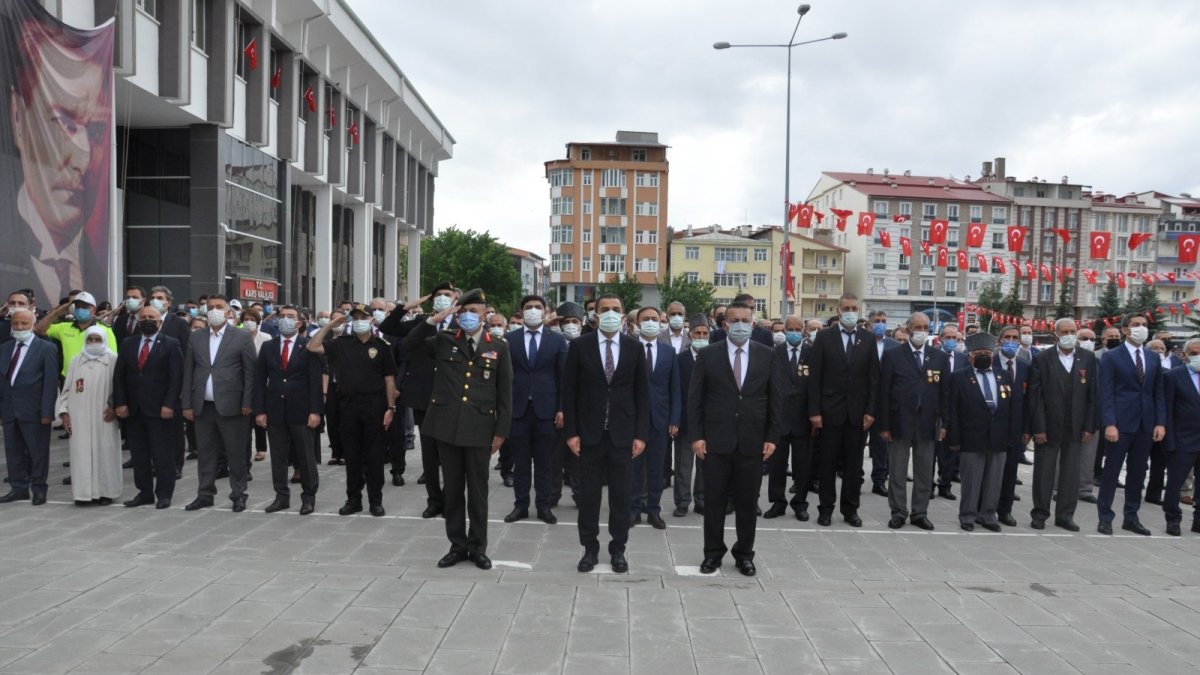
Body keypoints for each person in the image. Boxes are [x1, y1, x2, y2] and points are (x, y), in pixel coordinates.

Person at [0, 15, 114, 306]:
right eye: (66, 123)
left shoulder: (98, 263)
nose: (84, 157)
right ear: (17, 116)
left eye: (98, 130)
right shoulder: (8, 249)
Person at [404, 289, 511, 570]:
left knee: (478, 491)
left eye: (474, 311)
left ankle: (478, 548)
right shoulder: (444, 340)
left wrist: (501, 431)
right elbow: (408, 345)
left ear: (486, 314)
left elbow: (505, 394)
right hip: (446, 426)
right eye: (463, 311)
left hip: (480, 428)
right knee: (452, 491)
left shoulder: (498, 346)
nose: (468, 316)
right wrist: (433, 319)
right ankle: (457, 545)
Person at [689, 302, 782, 576]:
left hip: (753, 441)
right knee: (714, 501)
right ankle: (713, 553)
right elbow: (695, 400)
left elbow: (775, 399)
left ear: (753, 323)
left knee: (746, 502)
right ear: (725, 324)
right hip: (716, 441)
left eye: (745, 319)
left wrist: (772, 437)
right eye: (735, 320)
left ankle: (744, 554)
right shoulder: (708, 355)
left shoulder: (768, 355)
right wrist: (697, 436)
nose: (740, 324)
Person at [562, 294, 649, 574]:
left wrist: (640, 435)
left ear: (623, 315)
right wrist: (572, 432)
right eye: (605, 310)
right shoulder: (579, 346)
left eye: (616, 309)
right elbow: (570, 392)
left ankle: (618, 549)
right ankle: (589, 548)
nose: (611, 313)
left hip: (623, 435)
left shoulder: (634, 348)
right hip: (588, 435)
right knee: (589, 497)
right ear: (595, 315)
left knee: (621, 497)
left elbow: (642, 395)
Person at [309, 304, 398, 517]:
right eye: (355, 317)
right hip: (348, 405)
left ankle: (375, 500)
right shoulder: (341, 344)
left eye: (363, 317)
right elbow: (313, 347)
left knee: (375, 456)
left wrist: (391, 407)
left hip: (374, 406)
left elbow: (389, 379)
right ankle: (353, 499)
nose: (359, 321)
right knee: (352, 455)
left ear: (371, 321)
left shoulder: (382, 346)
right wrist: (330, 324)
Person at [379, 282, 456, 518]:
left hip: (454, 397)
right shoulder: (422, 322)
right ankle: (434, 501)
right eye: (438, 295)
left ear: (455, 300)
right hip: (425, 394)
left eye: (447, 295)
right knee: (430, 453)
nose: (442, 298)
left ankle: (452, 500)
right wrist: (407, 306)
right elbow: (387, 326)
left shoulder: (463, 322)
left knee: (452, 454)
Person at [807, 292, 878, 527]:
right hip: (829, 412)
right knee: (827, 463)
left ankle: (850, 509)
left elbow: (873, 379)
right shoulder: (825, 338)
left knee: (853, 465)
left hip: (857, 414)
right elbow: (814, 377)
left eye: (853, 309)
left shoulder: (868, 339)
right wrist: (815, 412)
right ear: (838, 311)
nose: (850, 312)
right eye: (846, 308)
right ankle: (825, 509)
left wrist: (870, 411)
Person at [181, 295, 257, 513]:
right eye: (210, 307)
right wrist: (187, 404)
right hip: (203, 407)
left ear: (228, 312)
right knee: (205, 453)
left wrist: (247, 402)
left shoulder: (242, 337)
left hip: (233, 406)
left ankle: (238, 494)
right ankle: (205, 494)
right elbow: (189, 372)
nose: (214, 310)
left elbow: (250, 373)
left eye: (219, 307)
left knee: (235, 454)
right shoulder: (196, 337)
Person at [877, 312, 947, 531]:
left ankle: (920, 512)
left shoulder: (939, 357)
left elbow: (945, 393)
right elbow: (884, 391)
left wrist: (944, 424)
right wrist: (884, 425)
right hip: (899, 421)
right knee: (897, 471)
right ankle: (898, 511)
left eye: (925, 327)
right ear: (908, 330)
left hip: (928, 422)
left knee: (925, 471)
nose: (922, 332)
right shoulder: (893, 355)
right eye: (917, 327)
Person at [1096, 314, 1166, 536]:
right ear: (1125, 330)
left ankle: (1131, 517)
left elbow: (1158, 393)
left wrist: (1160, 422)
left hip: (1145, 424)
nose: (1141, 329)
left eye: (1144, 325)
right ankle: (1105, 517)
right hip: (1120, 424)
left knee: (1137, 473)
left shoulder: (1153, 358)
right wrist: (1110, 423)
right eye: (1136, 325)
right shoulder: (1112, 357)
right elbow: (1105, 392)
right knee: (1112, 472)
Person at [1027, 317, 1097, 531]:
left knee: (1071, 473)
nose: (1069, 335)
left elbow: (1093, 396)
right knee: (1044, 472)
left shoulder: (1087, 358)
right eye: (1064, 331)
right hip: (1048, 426)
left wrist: (1088, 427)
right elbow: (1035, 396)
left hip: (1075, 427)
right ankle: (1040, 514)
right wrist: (1038, 428)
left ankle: (1065, 516)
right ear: (1056, 334)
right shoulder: (1043, 358)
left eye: (1072, 331)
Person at [947, 332, 1020, 532]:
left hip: (998, 437)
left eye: (987, 352)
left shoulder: (1003, 375)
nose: (984, 356)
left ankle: (988, 515)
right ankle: (968, 515)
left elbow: (1012, 407)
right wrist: (954, 437)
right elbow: (952, 409)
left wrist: (1012, 435)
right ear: (970, 355)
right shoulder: (959, 377)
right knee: (972, 479)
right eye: (979, 352)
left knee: (994, 479)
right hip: (971, 436)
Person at [503, 294, 567, 525]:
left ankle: (543, 506)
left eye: (537, 307)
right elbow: (504, 378)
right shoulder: (509, 339)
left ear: (545, 311)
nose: (532, 310)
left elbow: (563, 378)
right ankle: (520, 505)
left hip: (547, 411)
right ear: (521, 313)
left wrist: (562, 408)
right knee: (521, 462)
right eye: (528, 307)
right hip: (518, 409)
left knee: (544, 462)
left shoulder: (557, 340)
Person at [254, 305, 322, 515]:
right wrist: (260, 410)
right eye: (282, 316)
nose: (285, 320)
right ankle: (281, 496)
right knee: (278, 456)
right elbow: (259, 380)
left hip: (301, 410)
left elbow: (315, 381)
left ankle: (308, 497)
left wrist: (315, 411)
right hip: (275, 409)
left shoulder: (308, 346)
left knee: (305, 456)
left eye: (290, 317)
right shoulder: (268, 347)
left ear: (299, 322)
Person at [112, 305, 182, 509]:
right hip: (134, 410)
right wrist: (120, 402)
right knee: (139, 455)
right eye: (143, 317)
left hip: (160, 409)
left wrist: (169, 404)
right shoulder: (128, 344)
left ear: (160, 321)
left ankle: (164, 494)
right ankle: (144, 492)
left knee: (162, 454)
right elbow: (119, 376)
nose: (147, 320)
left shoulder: (171, 344)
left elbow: (175, 378)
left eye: (151, 317)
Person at [56, 325, 121, 505]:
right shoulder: (76, 360)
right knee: (81, 453)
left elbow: (121, 387)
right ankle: (83, 494)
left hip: (105, 415)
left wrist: (114, 407)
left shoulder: (113, 359)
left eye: (97, 339)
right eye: (90, 339)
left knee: (106, 451)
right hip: (80, 416)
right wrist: (64, 412)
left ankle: (106, 492)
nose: (93, 343)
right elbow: (67, 389)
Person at [0, 308, 59, 504]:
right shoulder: (5, 348)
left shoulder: (46, 348)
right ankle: (19, 487)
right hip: (10, 409)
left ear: (33, 324)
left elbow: (50, 383)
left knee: (38, 452)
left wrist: (47, 411)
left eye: (24, 324)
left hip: (34, 410)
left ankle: (39, 488)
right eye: (16, 324)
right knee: (13, 451)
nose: (19, 327)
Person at [630, 306, 681, 530]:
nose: (650, 322)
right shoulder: (628, 348)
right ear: (637, 323)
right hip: (632, 418)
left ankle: (653, 509)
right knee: (633, 467)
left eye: (654, 319)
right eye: (646, 319)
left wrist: (674, 419)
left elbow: (675, 388)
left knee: (656, 468)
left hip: (660, 418)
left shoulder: (668, 352)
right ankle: (633, 509)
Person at [765, 315, 813, 521]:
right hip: (779, 418)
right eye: (790, 329)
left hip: (803, 419)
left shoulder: (812, 353)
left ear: (803, 331)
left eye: (798, 329)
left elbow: (816, 386)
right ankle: (777, 502)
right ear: (784, 330)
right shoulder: (773, 353)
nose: (794, 332)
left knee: (803, 465)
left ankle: (800, 503)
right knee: (777, 465)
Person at [993, 325, 1031, 527]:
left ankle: (1005, 510)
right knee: (990, 471)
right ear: (999, 341)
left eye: (1015, 337)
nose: (1011, 341)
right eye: (1007, 337)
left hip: (1015, 429)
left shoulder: (1025, 366)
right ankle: (985, 507)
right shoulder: (990, 363)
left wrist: (1027, 429)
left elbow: (1029, 401)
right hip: (993, 428)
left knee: (1010, 472)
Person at [1162, 339, 1200, 536]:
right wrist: (1170, 439)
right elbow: (1167, 409)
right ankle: (1173, 519)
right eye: (1194, 353)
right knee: (1175, 482)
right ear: (1184, 356)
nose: (1198, 357)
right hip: (1182, 439)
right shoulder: (1173, 376)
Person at [673, 315, 709, 517]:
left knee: (705, 465)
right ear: (690, 335)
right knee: (683, 466)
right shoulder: (679, 360)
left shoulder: (715, 357)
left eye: (705, 333)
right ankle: (682, 502)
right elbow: (676, 391)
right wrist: (675, 420)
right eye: (698, 333)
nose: (701, 336)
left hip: (708, 422)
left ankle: (701, 500)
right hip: (686, 421)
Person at [34, 291, 116, 377]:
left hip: (94, 379)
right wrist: (56, 313)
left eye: (85, 306)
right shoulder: (64, 327)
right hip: (68, 379)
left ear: (94, 310)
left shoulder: (104, 330)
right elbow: (39, 330)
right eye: (78, 306)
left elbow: (112, 360)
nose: (80, 309)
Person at [934, 324, 968, 500]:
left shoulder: (963, 358)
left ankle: (945, 484)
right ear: (940, 339)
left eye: (955, 338)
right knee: (932, 451)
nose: (952, 341)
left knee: (950, 451)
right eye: (948, 337)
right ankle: (929, 485)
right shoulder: (934, 355)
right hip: (936, 409)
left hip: (956, 411)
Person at [868, 309, 900, 496]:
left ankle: (879, 480)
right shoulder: (862, 342)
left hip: (884, 402)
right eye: (877, 320)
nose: (880, 323)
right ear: (869, 323)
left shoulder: (894, 346)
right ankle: (857, 476)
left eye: (883, 320)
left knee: (881, 445)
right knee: (858, 444)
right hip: (864, 402)